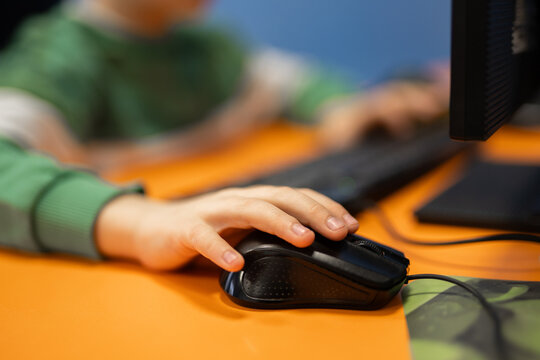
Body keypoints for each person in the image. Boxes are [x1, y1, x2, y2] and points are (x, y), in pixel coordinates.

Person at [0, 0, 449, 272]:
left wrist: (343, 108)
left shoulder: (205, 47)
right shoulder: (54, 58)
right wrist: (145, 224)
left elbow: (289, 81)